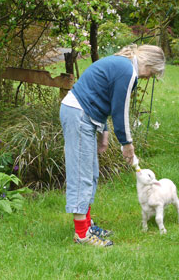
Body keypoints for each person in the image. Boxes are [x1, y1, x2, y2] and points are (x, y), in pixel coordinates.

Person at [59, 44, 165, 246]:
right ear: (149, 64)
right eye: (152, 73)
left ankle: (87, 225)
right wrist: (127, 144)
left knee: (90, 173)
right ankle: (82, 235)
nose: (149, 77)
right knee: (81, 175)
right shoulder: (128, 71)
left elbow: (103, 97)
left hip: (84, 114)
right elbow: (120, 111)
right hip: (78, 114)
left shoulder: (124, 67)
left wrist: (104, 131)